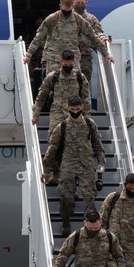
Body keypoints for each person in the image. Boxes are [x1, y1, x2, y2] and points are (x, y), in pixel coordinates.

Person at [42, 97, 106, 234]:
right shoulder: (62, 127)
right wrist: (47, 170)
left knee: (89, 196)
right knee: (66, 196)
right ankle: (66, 222)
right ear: (68, 108)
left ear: (82, 107)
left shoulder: (90, 124)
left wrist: (101, 161)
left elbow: (97, 144)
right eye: (72, 110)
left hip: (86, 165)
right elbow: (52, 148)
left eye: (78, 109)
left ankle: (89, 226)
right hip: (68, 165)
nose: (75, 112)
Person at [23, 0, 114, 75]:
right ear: (60, 6)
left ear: (72, 6)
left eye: (69, 9)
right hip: (54, 60)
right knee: (53, 86)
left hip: (72, 60)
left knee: (76, 86)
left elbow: (93, 36)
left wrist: (106, 54)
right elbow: (38, 38)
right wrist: (28, 55)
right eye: (64, 9)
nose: (67, 12)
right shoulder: (52, 19)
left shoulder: (79, 20)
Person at [31, 50, 91, 134]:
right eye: (66, 64)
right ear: (61, 61)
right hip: (57, 112)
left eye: (70, 64)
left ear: (74, 61)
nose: (68, 66)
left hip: (75, 112)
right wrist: (36, 114)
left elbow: (86, 98)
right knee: (54, 136)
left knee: (74, 139)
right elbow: (42, 96)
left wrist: (87, 117)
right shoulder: (53, 77)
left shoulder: (80, 77)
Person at [73, 0, 109, 84]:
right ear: (73, 3)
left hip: (85, 56)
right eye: (77, 2)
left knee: (84, 82)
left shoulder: (91, 18)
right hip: (70, 56)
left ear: (86, 3)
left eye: (82, 2)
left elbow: (98, 32)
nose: (80, 5)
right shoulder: (66, 17)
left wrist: (102, 37)